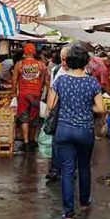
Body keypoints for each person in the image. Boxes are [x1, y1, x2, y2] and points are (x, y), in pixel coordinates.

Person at [47, 43, 105, 219]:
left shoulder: (60, 80)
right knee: (84, 167)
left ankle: (68, 214)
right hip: (84, 131)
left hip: (63, 131)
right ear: (86, 62)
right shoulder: (91, 82)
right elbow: (101, 108)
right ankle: (85, 202)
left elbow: (50, 105)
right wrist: (87, 107)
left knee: (67, 171)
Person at [13, 43, 48, 153]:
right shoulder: (41, 65)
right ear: (34, 53)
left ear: (24, 52)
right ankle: (33, 140)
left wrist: (13, 93)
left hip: (23, 94)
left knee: (24, 118)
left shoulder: (19, 64)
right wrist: (41, 91)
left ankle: (26, 142)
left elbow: (14, 81)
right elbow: (44, 81)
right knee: (34, 117)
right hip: (36, 94)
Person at [46, 46, 70, 183]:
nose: (64, 63)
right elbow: (51, 89)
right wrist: (49, 110)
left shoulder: (79, 72)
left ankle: (69, 170)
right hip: (57, 110)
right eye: (62, 60)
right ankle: (55, 169)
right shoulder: (56, 70)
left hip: (71, 111)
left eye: (67, 60)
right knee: (56, 141)